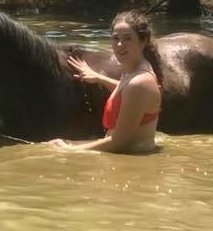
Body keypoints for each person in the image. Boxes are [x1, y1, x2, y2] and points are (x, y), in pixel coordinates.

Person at [51, 10, 162, 154]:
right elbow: (127, 92)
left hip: (130, 161)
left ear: (143, 41)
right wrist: (99, 78)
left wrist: (70, 150)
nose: (120, 44)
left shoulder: (140, 82)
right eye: (116, 38)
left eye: (127, 38)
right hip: (124, 155)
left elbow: (119, 141)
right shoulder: (132, 73)